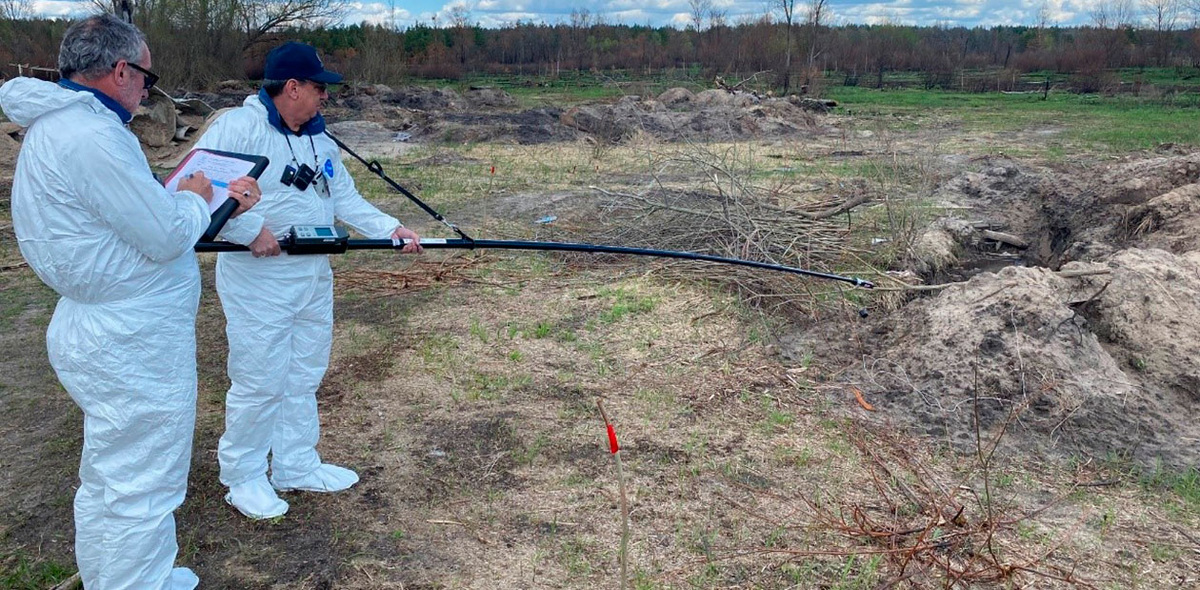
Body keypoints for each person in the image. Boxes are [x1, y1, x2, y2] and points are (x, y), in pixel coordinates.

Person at [0, 14, 260, 590]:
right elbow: (166, 236)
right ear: (121, 70)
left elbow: (125, 221)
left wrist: (180, 203)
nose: (148, 88)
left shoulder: (64, 127)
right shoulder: (92, 135)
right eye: (147, 74)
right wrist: (196, 197)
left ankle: (133, 575)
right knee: (139, 476)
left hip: (111, 324)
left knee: (119, 471)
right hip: (128, 337)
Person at [193, 41, 422, 520]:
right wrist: (251, 230)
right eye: (319, 88)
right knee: (259, 379)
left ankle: (295, 463)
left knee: (303, 373)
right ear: (291, 87)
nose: (325, 97)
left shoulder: (321, 138)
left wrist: (391, 229)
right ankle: (244, 475)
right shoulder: (238, 127)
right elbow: (197, 193)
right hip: (259, 280)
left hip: (312, 274)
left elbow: (345, 198)